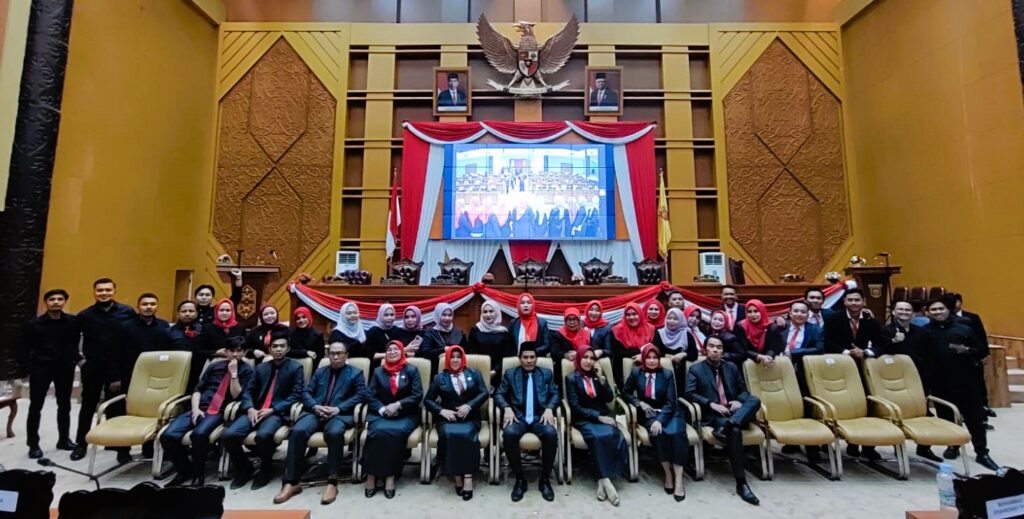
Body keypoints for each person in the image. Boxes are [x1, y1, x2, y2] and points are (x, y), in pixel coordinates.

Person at [275, 341, 367, 505]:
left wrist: (338, 409)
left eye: (339, 353)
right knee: (297, 430)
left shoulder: (355, 373)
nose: (335, 357)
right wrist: (315, 406)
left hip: (339, 414)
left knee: (334, 433)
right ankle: (292, 482)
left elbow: (360, 395)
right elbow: (306, 392)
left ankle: (332, 481)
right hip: (315, 412)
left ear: (346, 356)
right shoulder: (320, 372)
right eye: (332, 353)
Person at [161, 337, 255, 486]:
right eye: (232, 351)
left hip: (219, 411)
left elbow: (237, 395)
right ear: (226, 352)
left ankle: (198, 474)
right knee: (167, 436)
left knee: (199, 434)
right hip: (199, 407)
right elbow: (198, 390)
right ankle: (184, 470)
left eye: (239, 351)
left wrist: (234, 374)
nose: (235, 354)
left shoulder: (247, 370)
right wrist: (195, 409)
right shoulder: (214, 366)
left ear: (245, 352)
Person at [922, 298, 999, 471]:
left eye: (941, 308)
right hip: (940, 382)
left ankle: (982, 452)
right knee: (946, 417)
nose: (937, 312)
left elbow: (982, 351)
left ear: (948, 310)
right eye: (933, 309)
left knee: (974, 418)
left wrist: (966, 350)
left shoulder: (964, 328)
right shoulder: (925, 332)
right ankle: (953, 445)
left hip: (966, 381)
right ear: (928, 312)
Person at [222, 332, 304, 490]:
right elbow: (248, 391)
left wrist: (273, 410)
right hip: (255, 410)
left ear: (288, 349)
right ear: (269, 349)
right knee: (229, 435)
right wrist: (250, 408)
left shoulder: (295, 368)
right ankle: (244, 468)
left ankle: (266, 469)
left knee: (264, 435)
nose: (278, 349)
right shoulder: (261, 368)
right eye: (275, 346)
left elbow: (296, 395)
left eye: (282, 346)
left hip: (276, 412)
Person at [685, 337, 761, 506]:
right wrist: (711, 404)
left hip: (734, 412)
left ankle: (729, 424)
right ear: (705, 350)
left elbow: (743, 391)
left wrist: (739, 401)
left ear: (723, 351)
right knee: (735, 431)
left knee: (754, 400)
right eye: (711, 346)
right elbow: (689, 394)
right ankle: (741, 483)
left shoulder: (732, 367)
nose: (715, 350)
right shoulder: (696, 369)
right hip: (714, 415)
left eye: (719, 347)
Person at [72, 278, 136, 462]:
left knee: (118, 407)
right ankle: (81, 443)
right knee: (88, 405)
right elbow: (70, 341)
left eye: (108, 290)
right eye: (100, 290)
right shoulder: (84, 315)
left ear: (114, 291)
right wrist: (80, 361)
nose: (104, 293)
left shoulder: (127, 312)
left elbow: (132, 339)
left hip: (118, 368)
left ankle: (120, 447)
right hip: (93, 367)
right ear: (94, 292)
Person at [494, 342, 560, 502]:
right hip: (518, 417)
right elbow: (499, 394)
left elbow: (555, 394)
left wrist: (550, 408)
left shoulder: (546, 373)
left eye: (532, 357)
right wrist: (506, 408)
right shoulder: (510, 374)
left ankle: (545, 479)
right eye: (525, 357)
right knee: (509, 434)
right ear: (520, 358)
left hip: (540, 417)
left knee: (551, 434)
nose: (529, 360)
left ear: (536, 358)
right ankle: (520, 479)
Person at [623, 344, 689, 502]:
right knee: (659, 434)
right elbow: (626, 392)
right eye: (648, 358)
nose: (652, 361)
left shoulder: (666, 374)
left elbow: (671, 401)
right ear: (643, 359)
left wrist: (660, 420)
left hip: (670, 412)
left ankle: (679, 480)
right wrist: (639, 403)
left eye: (655, 358)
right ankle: (668, 473)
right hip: (649, 413)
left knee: (676, 434)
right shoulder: (636, 372)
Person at [565, 347, 629, 506]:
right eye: (585, 357)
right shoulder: (571, 378)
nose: (588, 361)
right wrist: (598, 417)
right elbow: (575, 406)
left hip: (603, 415)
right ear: (579, 359)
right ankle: (607, 481)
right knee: (596, 437)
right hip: (583, 418)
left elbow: (609, 398)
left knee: (614, 434)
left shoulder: (597, 375)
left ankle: (602, 481)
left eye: (592, 358)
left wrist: (601, 378)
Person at [424, 345, 489, 501]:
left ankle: (467, 477)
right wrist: (441, 411)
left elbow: (484, 393)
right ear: (447, 359)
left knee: (467, 435)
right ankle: (456, 476)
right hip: (448, 419)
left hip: (470, 417)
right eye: (452, 357)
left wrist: (469, 406)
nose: (455, 360)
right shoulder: (439, 378)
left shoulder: (474, 373)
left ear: (463, 359)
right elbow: (428, 400)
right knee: (449, 435)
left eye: (458, 357)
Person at [824, 288, 883, 460]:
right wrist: (846, 352)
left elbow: (881, 344)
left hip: (864, 368)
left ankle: (869, 446)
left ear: (864, 301)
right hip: (841, 367)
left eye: (857, 300)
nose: (854, 303)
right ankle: (851, 443)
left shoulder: (871, 320)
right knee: (849, 406)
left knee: (868, 406)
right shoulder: (834, 319)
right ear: (844, 302)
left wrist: (866, 352)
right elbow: (827, 342)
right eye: (850, 300)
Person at [362, 340, 423, 499]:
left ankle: (390, 476)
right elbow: (369, 395)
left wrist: (397, 405)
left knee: (395, 432)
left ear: (402, 352)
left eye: (396, 349)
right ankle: (371, 476)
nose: (392, 352)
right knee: (376, 432)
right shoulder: (378, 372)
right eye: (389, 349)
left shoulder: (411, 370)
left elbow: (417, 395)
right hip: (381, 413)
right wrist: (383, 409)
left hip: (406, 413)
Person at [24, 288, 80, 459]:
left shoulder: (72, 321)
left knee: (64, 405)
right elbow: (26, 347)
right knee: (36, 406)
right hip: (41, 368)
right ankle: (33, 444)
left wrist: (75, 359)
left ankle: (64, 439)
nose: (56, 302)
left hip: (64, 368)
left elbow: (74, 343)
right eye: (52, 299)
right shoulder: (34, 324)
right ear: (46, 302)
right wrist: (31, 367)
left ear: (64, 302)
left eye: (59, 299)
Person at [881, 300, 936, 461]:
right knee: (896, 413)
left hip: (919, 377)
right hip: (894, 379)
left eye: (907, 310)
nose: (904, 312)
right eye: (900, 309)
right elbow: (880, 352)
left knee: (923, 413)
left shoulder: (922, 332)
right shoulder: (885, 331)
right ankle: (898, 448)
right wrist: (893, 341)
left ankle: (924, 447)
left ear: (913, 314)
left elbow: (929, 355)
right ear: (893, 312)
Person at [951, 293, 996, 422]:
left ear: (960, 302)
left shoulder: (972, 317)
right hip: (955, 360)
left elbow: (981, 336)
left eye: (956, 302)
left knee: (978, 385)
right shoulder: (945, 319)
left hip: (973, 356)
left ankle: (983, 407)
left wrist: (984, 353)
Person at [122, 293, 172, 378]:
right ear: (138, 307)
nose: (149, 307)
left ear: (157, 306)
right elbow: (119, 351)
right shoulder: (126, 326)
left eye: (152, 304)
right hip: (131, 371)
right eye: (145, 304)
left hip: (157, 370)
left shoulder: (164, 325)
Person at [465, 300, 513, 386]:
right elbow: (471, 353)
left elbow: (506, 356)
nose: (488, 314)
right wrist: (482, 370)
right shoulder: (476, 330)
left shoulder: (504, 333)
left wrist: (495, 371)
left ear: (497, 312)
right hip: (478, 372)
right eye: (485, 312)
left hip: (499, 373)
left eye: (491, 311)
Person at [653, 307, 699, 391]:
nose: (671, 321)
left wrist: (684, 354)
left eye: (675, 319)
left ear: (681, 320)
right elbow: (654, 353)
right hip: (662, 372)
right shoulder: (659, 333)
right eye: (669, 318)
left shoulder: (687, 334)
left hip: (680, 374)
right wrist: (669, 357)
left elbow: (694, 355)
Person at [609, 303, 655, 386]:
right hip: (622, 370)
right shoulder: (616, 330)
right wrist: (643, 351)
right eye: (628, 315)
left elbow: (656, 350)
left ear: (640, 314)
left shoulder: (651, 329)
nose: (631, 317)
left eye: (634, 314)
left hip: (649, 368)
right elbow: (619, 354)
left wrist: (643, 356)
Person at [168, 301, 205, 392]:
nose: (187, 314)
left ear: (196, 313)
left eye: (191, 311)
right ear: (178, 314)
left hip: (198, 371)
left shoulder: (204, 331)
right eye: (184, 311)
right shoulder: (169, 332)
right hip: (175, 370)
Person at [550, 307, 591, 384]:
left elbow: (592, 350)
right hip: (563, 371)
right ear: (565, 321)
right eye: (569, 319)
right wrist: (567, 355)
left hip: (585, 369)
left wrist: (578, 354)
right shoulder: (558, 335)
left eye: (574, 319)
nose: (572, 322)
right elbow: (554, 353)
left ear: (579, 320)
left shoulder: (586, 334)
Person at [422, 302, 466, 373]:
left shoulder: (458, 333)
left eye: (450, 315)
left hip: (457, 371)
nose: (447, 318)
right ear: (438, 315)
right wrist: (443, 350)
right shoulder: (430, 333)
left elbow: (465, 353)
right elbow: (425, 353)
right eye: (444, 315)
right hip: (435, 371)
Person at [737, 299, 771, 365]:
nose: (753, 314)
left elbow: (773, 347)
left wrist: (768, 357)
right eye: (749, 312)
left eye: (756, 311)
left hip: (768, 362)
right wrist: (758, 356)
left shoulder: (771, 326)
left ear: (762, 311)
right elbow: (742, 349)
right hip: (747, 362)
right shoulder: (741, 326)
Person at [365, 304, 399, 370]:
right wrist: (386, 356)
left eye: (392, 315)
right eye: (386, 315)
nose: (389, 317)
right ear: (380, 315)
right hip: (377, 367)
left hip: (396, 365)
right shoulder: (373, 331)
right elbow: (369, 355)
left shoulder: (397, 330)